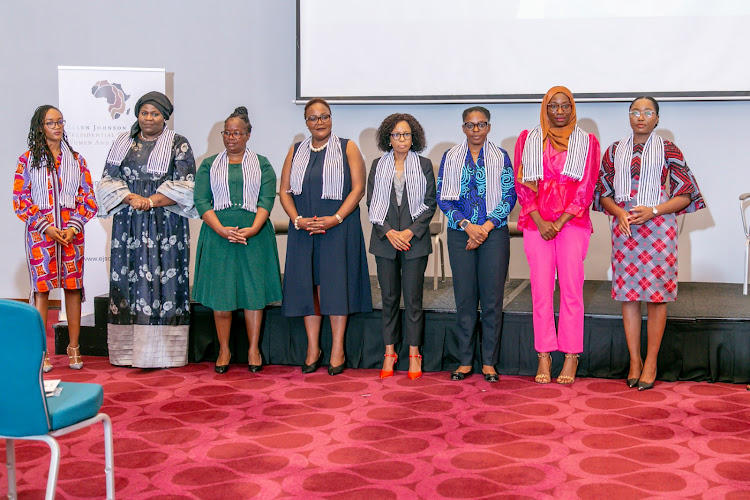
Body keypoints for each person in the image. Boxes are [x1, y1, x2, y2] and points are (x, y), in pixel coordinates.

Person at [595, 96, 704, 390]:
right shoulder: (615, 150)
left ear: (657, 118)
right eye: (634, 112)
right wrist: (619, 212)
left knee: (657, 296)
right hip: (626, 227)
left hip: (658, 227)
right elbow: (602, 192)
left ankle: (652, 361)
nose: (640, 117)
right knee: (629, 296)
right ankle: (634, 361)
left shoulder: (669, 149)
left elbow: (686, 194)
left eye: (648, 112)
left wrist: (653, 210)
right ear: (628, 117)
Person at [97, 91, 197, 368]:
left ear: (165, 117)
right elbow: (107, 181)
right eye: (144, 113)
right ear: (137, 114)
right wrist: (132, 199)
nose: (149, 118)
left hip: (166, 223)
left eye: (155, 113)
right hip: (128, 222)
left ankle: (165, 354)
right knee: (128, 281)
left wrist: (150, 201)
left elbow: (187, 186)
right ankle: (127, 352)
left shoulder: (179, 144)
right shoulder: (122, 142)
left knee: (165, 280)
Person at [279, 98, 372, 375]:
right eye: (313, 118)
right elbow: (285, 191)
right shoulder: (295, 151)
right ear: (305, 122)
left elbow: (358, 189)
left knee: (335, 287)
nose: (319, 122)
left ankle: (337, 349)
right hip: (304, 229)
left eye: (324, 116)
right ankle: (312, 348)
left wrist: (336, 219)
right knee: (310, 287)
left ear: (331, 119)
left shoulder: (348, 147)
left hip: (338, 228)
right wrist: (297, 219)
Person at [514, 86, 600, 385]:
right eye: (553, 106)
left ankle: (572, 355)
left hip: (572, 223)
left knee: (572, 291)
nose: (559, 111)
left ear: (572, 108)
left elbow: (586, 186)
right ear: (545, 108)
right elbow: (522, 183)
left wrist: (560, 221)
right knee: (540, 291)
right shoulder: (528, 139)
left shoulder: (587, 142)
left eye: (565, 106)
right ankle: (544, 354)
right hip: (536, 222)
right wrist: (539, 219)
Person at [192, 106, 282, 374]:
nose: (231, 138)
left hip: (254, 237)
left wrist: (253, 228)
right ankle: (224, 349)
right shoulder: (208, 165)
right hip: (219, 236)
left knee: (254, 295)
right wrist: (220, 229)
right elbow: (200, 200)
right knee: (222, 295)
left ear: (248, 135)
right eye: (227, 133)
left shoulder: (263, 164)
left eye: (237, 133)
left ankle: (253, 348)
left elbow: (267, 199)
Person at [13, 105, 98, 371]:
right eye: (51, 123)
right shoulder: (27, 160)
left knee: (72, 289)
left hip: (72, 235)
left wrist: (73, 227)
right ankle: (42, 351)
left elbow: (89, 198)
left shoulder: (77, 159)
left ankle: (74, 347)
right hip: (42, 236)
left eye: (60, 122)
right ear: (40, 127)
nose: (57, 127)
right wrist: (46, 227)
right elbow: (20, 199)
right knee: (42, 291)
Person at [437, 106, 516, 383]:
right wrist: (468, 226)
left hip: (493, 233)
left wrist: (485, 227)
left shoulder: (501, 156)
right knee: (465, 299)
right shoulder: (451, 156)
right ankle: (465, 361)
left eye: (481, 125)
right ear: (463, 128)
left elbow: (509, 196)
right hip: (461, 234)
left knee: (492, 300)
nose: (476, 130)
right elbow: (443, 198)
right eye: (470, 125)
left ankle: (490, 363)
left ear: (489, 127)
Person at [367, 113, 436, 380]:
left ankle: (414, 353)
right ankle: (389, 352)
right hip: (385, 242)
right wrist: (388, 232)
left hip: (414, 242)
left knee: (414, 300)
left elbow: (430, 203)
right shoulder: (377, 165)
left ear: (414, 137)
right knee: (389, 300)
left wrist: (408, 232)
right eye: (396, 134)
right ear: (388, 138)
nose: (402, 139)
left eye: (406, 134)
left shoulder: (425, 165)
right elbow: (372, 203)